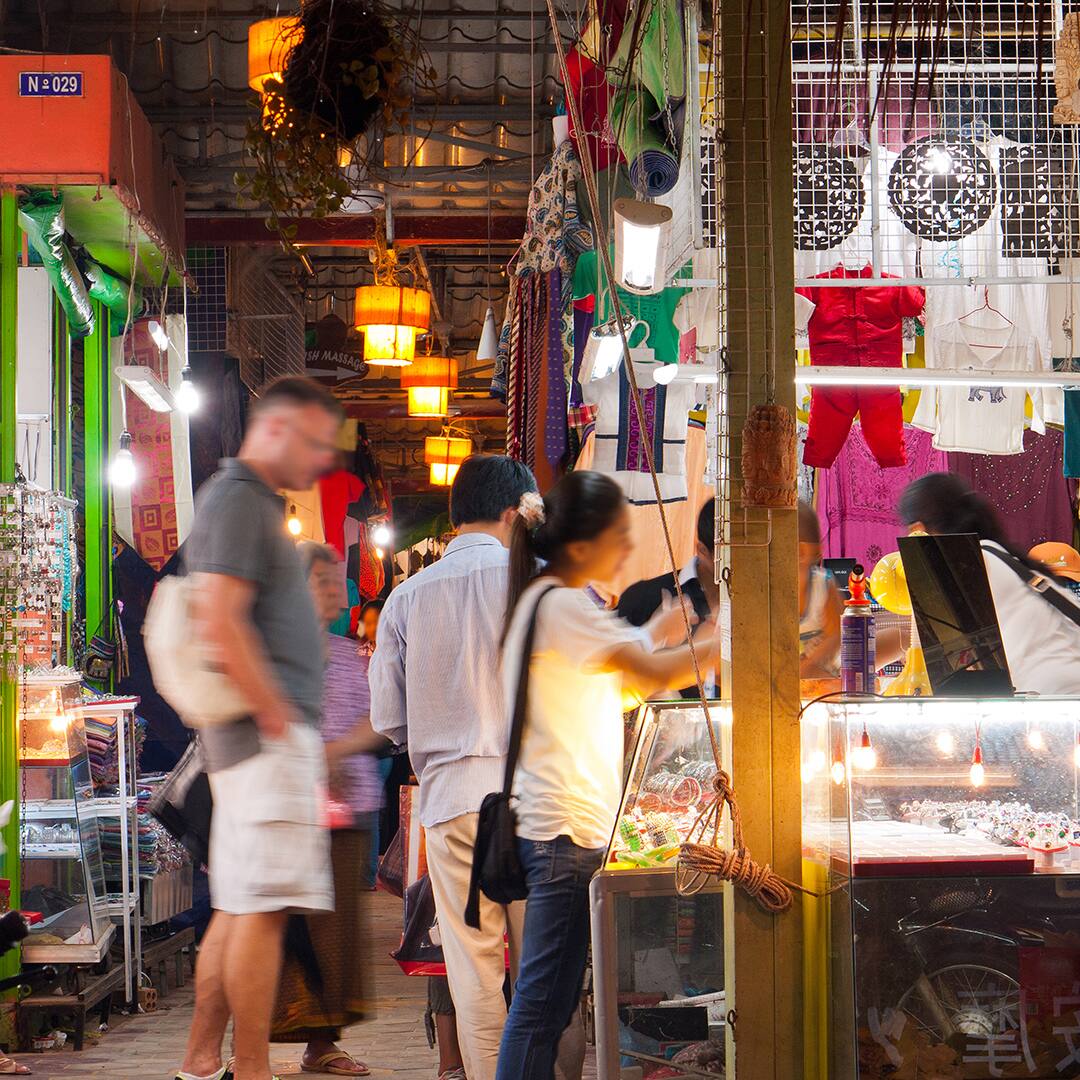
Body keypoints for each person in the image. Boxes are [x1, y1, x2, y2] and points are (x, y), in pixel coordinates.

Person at [497, 470, 721, 1080]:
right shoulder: (565, 604)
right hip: (563, 834)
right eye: (620, 534)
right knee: (541, 1006)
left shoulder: (551, 601)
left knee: (548, 1002)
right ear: (581, 544)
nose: (627, 547)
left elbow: (618, 681)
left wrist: (671, 633)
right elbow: (645, 677)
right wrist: (719, 642)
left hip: (558, 830)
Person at [177, 377, 342, 1080]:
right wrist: (275, 714)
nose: (321, 462)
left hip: (254, 740)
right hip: (263, 738)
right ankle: (251, 1069)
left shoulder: (243, 501)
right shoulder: (241, 499)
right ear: (275, 430)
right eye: (315, 444)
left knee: (241, 909)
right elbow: (219, 615)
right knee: (263, 912)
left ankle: (198, 1063)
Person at [370, 455, 542, 1080]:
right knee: (541, 968)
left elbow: (389, 718)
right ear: (516, 511)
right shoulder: (547, 586)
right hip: (538, 799)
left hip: (453, 803)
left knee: (472, 969)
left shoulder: (407, 598)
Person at [270, 543, 384, 1077]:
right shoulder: (272, 656)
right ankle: (254, 1041)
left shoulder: (346, 655)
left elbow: (380, 721)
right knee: (285, 931)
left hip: (348, 808)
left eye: (338, 581)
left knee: (336, 933)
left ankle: (323, 1044)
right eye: (325, 581)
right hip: (288, 812)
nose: (338, 592)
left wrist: (332, 752)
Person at [897, 472, 1080, 695]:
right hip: (1063, 695)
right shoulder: (998, 555)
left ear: (917, 531)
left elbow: (949, 671)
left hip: (1052, 698)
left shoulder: (962, 565)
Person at [617, 499, 720, 697]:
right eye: (728, 557)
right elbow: (617, 682)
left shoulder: (762, 606)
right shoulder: (645, 598)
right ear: (702, 551)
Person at [797, 501, 842, 679]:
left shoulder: (823, 585)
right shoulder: (769, 590)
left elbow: (837, 635)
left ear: (802, 551)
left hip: (821, 671)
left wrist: (809, 663)